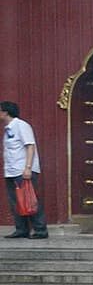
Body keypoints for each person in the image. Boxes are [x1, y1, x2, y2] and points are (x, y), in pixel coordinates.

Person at [0, 101, 48, 240]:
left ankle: (40, 230)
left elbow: (30, 146)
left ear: (5, 112)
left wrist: (27, 168)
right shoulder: (8, 129)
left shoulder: (21, 126)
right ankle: (21, 229)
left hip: (23, 170)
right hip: (11, 170)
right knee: (15, 202)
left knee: (30, 200)